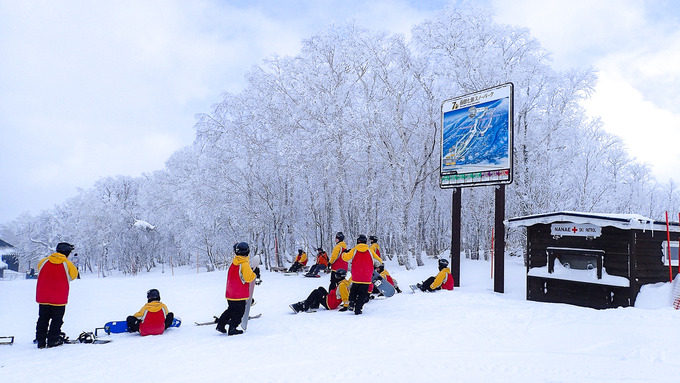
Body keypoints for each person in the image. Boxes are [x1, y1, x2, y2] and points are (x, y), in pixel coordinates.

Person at [35, 242, 79, 348]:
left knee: (43, 318)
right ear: (67, 253)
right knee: (57, 320)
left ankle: (40, 340)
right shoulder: (67, 264)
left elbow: (39, 269)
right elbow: (73, 275)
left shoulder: (44, 261)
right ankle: (53, 340)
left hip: (43, 297)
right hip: (59, 298)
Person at [216, 242, 261, 335]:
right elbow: (248, 278)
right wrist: (255, 273)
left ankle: (220, 325)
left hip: (230, 293)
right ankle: (232, 328)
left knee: (230, 310)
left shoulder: (234, 262)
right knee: (239, 313)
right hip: (239, 294)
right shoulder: (244, 263)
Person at [342, 234, 381, 315]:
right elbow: (379, 261)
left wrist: (344, 253)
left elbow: (346, 258)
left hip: (356, 275)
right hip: (366, 277)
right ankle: (358, 309)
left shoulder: (354, 250)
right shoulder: (370, 251)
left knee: (353, 290)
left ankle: (351, 303)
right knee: (362, 294)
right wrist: (375, 265)